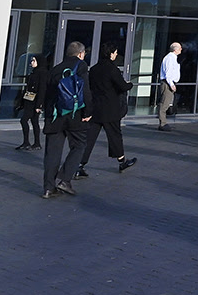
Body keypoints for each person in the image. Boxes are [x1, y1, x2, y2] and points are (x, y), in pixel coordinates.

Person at [77, 43, 136, 176]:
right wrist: (130, 85)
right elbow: (122, 86)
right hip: (110, 109)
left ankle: (80, 165)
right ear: (110, 53)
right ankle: (122, 161)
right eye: (115, 52)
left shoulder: (94, 69)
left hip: (96, 108)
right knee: (114, 135)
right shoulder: (112, 69)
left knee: (90, 138)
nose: (116, 54)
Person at [41, 42, 91, 197]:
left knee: (52, 152)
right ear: (81, 54)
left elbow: (47, 93)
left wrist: (47, 114)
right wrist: (88, 112)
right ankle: (65, 179)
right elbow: (85, 90)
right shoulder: (81, 66)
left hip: (55, 115)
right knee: (79, 145)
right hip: (75, 115)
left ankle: (48, 188)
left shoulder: (55, 69)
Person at [15, 54, 45, 150]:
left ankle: (29, 142)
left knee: (24, 120)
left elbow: (42, 90)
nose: (31, 63)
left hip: (34, 102)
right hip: (29, 100)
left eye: (34, 61)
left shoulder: (42, 73)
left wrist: (39, 105)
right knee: (34, 121)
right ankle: (35, 143)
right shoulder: (33, 73)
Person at [157, 41, 182, 131]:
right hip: (167, 83)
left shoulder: (172, 58)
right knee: (165, 103)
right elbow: (168, 73)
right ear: (175, 49)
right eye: (180, 48)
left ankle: (163, 122)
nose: (181, 49)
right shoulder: (170, 58)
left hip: (169, 82)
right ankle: (162, 123)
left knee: (167, 102)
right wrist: (171, 84)